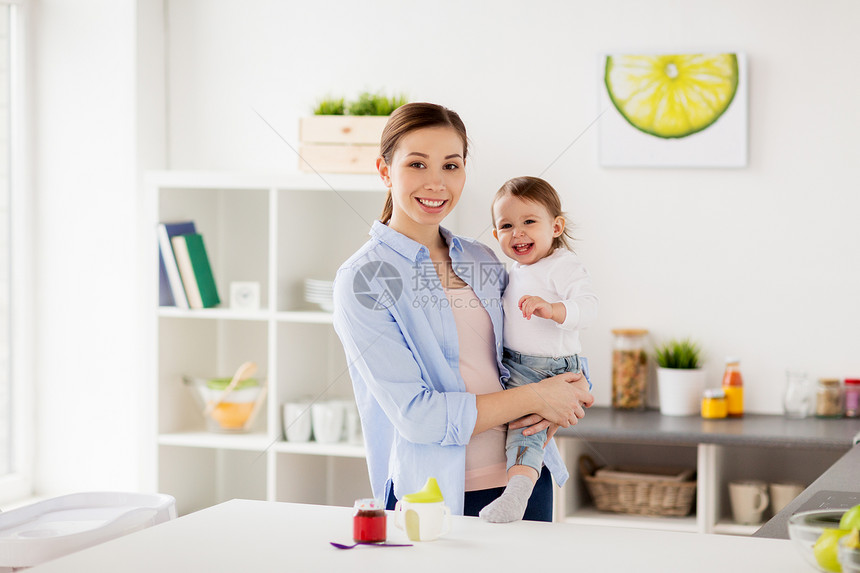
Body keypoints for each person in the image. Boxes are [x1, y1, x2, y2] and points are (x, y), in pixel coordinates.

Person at [332, 102, 594, 521]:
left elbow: (525, 350)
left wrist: (569, 384)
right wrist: (537, 396)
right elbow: (417, 417)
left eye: (451, 166)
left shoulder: (482, 260)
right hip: (437, 497)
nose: (436, 183)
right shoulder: (364, 280)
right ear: (385, 171)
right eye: (417, 164)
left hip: (525, 478)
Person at [478, 176, 598, 523]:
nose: (518, 232)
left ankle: (517, 496)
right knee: (519, 423)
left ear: (556, 226)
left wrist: (553, 310)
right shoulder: (516, 270)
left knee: (526, 429)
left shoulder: (563, 265)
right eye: (506, 225)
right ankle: (517, 487)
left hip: (550, 367)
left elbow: (589, 306)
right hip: (516, 365)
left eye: (529, 221)